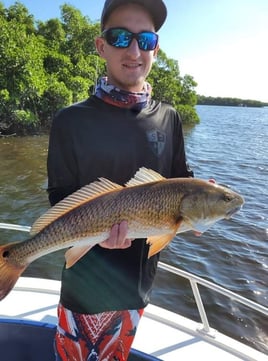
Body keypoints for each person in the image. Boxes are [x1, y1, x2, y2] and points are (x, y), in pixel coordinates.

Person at [47, 0, 193, 360]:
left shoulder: (170, 118)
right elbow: (59, 198)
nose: (133, 50)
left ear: (155, 48)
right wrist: (97, 230)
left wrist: (201, 204)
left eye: (145, 40)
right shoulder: (70, 121)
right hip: (83, 288)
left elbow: (180, 182)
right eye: (120, 37)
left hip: (137, 287)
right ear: (101, 46)